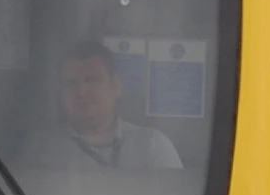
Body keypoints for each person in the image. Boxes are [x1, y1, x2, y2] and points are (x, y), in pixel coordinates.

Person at [53, 42, 182, 174]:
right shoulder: (41, 150)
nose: (81, 92)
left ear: (116, 86)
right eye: (70, 83)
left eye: (91, 80)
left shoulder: (152, 146)